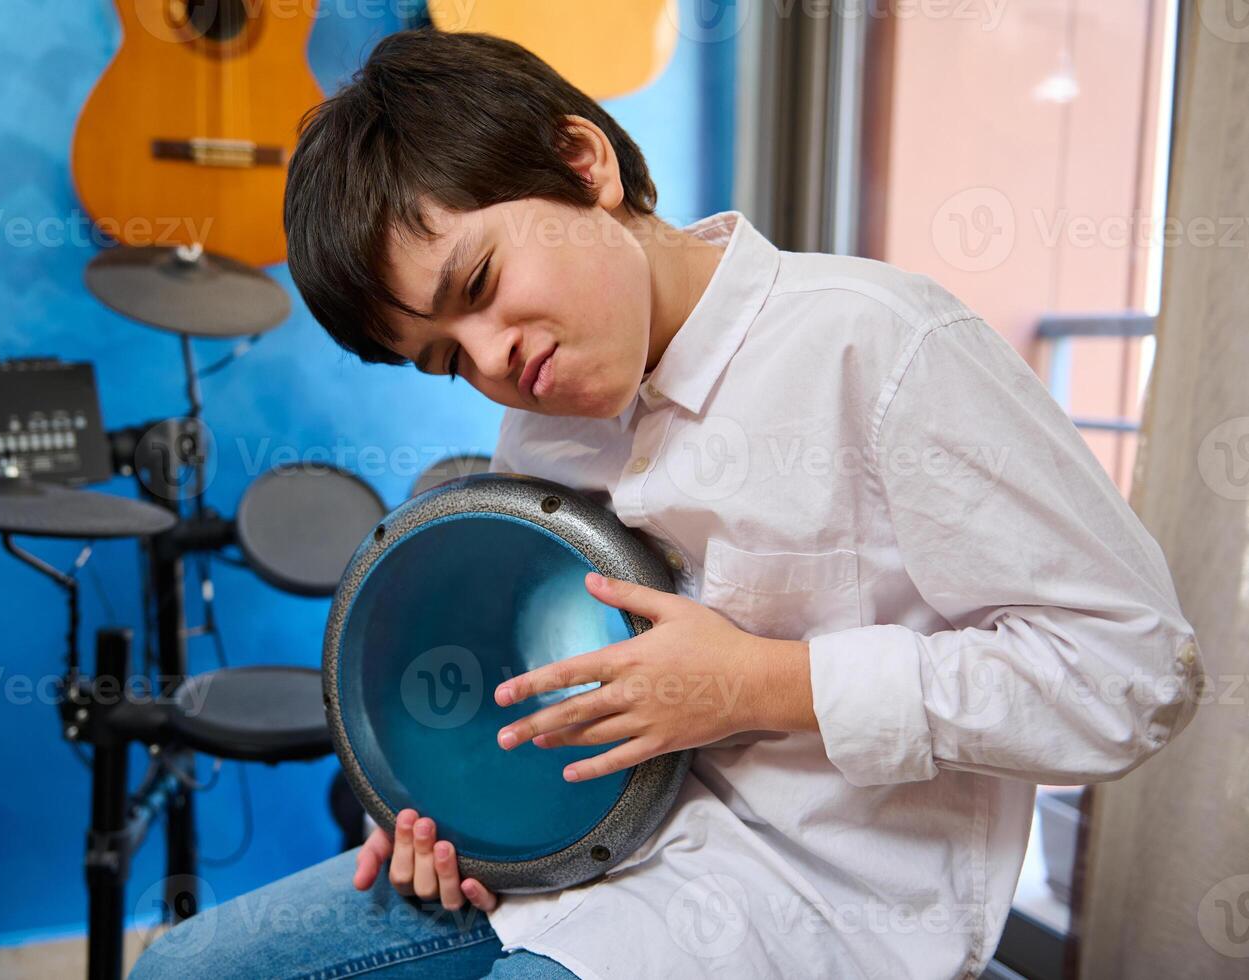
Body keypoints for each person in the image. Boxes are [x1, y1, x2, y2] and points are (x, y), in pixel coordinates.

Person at [130, 27, 1202, 980]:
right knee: (184, 960)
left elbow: (1134, 672)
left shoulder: (882, 346)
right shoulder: (541, 413)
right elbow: (542, 674)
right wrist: (451, 816)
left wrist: (767, 684)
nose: (497, 359)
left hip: (817, 908)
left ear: (581, 161)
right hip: (582, 860)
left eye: (481, 284)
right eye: (447, 359)